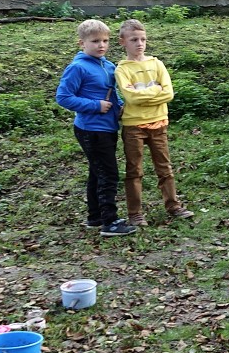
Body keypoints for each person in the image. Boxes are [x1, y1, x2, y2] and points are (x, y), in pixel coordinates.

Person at [55, 19, 132, 237]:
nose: (101, 45)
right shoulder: (78, 67)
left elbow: (111, 91)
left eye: (105, 41)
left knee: (97, 172)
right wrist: (94, 106)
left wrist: (119, 107)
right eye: (95, 41)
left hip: (107, 127)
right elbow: (63, 97)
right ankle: (110, 222)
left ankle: (95, 216)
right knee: (108, 174)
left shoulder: (108, 65)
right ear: (82, 43)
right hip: (91, 129)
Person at [114, 19, 193, 227]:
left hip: (159, 123)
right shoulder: (122, 69)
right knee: (134, 170)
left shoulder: (157, 64)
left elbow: (169, 93)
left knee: (165, 167)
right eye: (134, 40)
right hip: (133, 126)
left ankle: (173, 206)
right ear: (122, 42)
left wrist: (147, 93)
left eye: (143, 39)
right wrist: (155, 90)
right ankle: (135, 214)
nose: (139, 44)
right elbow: (131, 98)